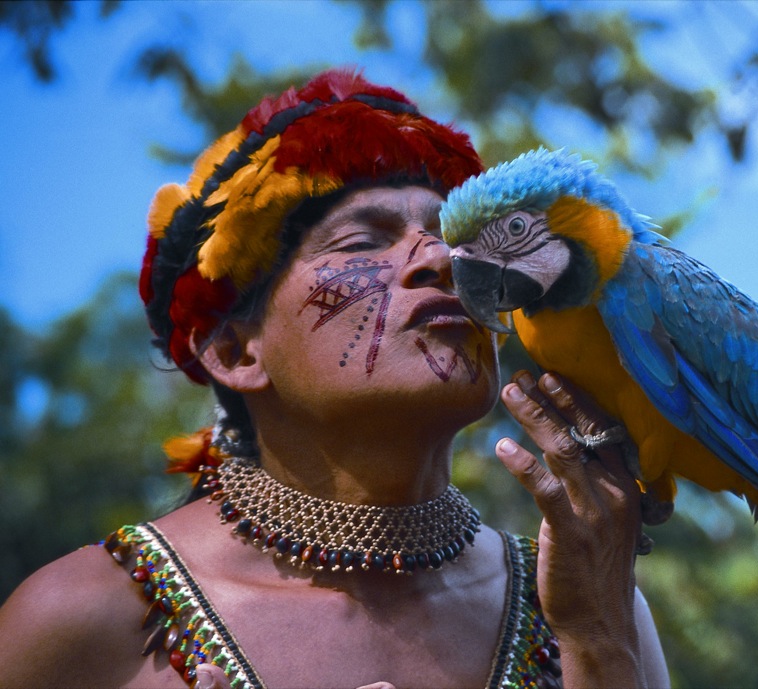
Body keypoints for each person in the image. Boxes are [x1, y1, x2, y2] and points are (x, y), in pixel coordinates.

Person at [0, 69, 669, 688]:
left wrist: (597, 642)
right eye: (362, 242)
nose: (438, 257)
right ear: (237, 352)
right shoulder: (81, 618)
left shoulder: (591, 599)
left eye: (447, 237)